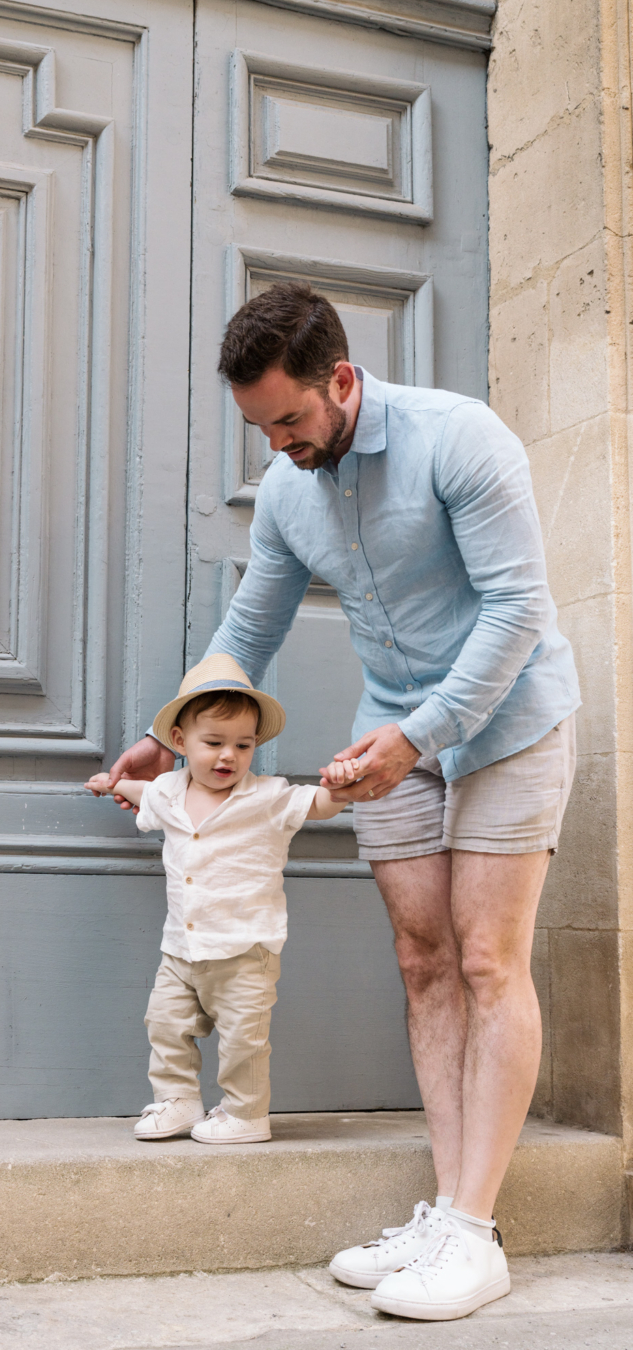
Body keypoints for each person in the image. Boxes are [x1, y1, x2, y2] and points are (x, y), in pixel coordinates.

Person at [106, 282, 580, 1322]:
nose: (278, 446)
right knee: (422, 963)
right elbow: (250, 627)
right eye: (259, 427)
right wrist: (166, 731)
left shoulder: (460, 440)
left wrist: (415, 739)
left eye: (289, 420)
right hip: (394, 731)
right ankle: (448, 1208)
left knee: (488, 957)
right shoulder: (286, 491)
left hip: (507, 720)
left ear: (342, 380)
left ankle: (473, 1233)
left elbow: (515, 611)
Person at [86, 653, 356, 1145]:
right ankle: (179, 1100)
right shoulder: (168, 790)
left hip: (245, 949)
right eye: (213, 743)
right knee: (166, 1025)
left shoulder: (268, 796)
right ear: (179, 742)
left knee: (243, 1039)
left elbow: (315, 804)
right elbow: (141, 792)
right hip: (181, 949)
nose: (227, 755)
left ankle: (246, 1113)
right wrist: (110, 784)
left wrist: (338, 790)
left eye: (243, 745)